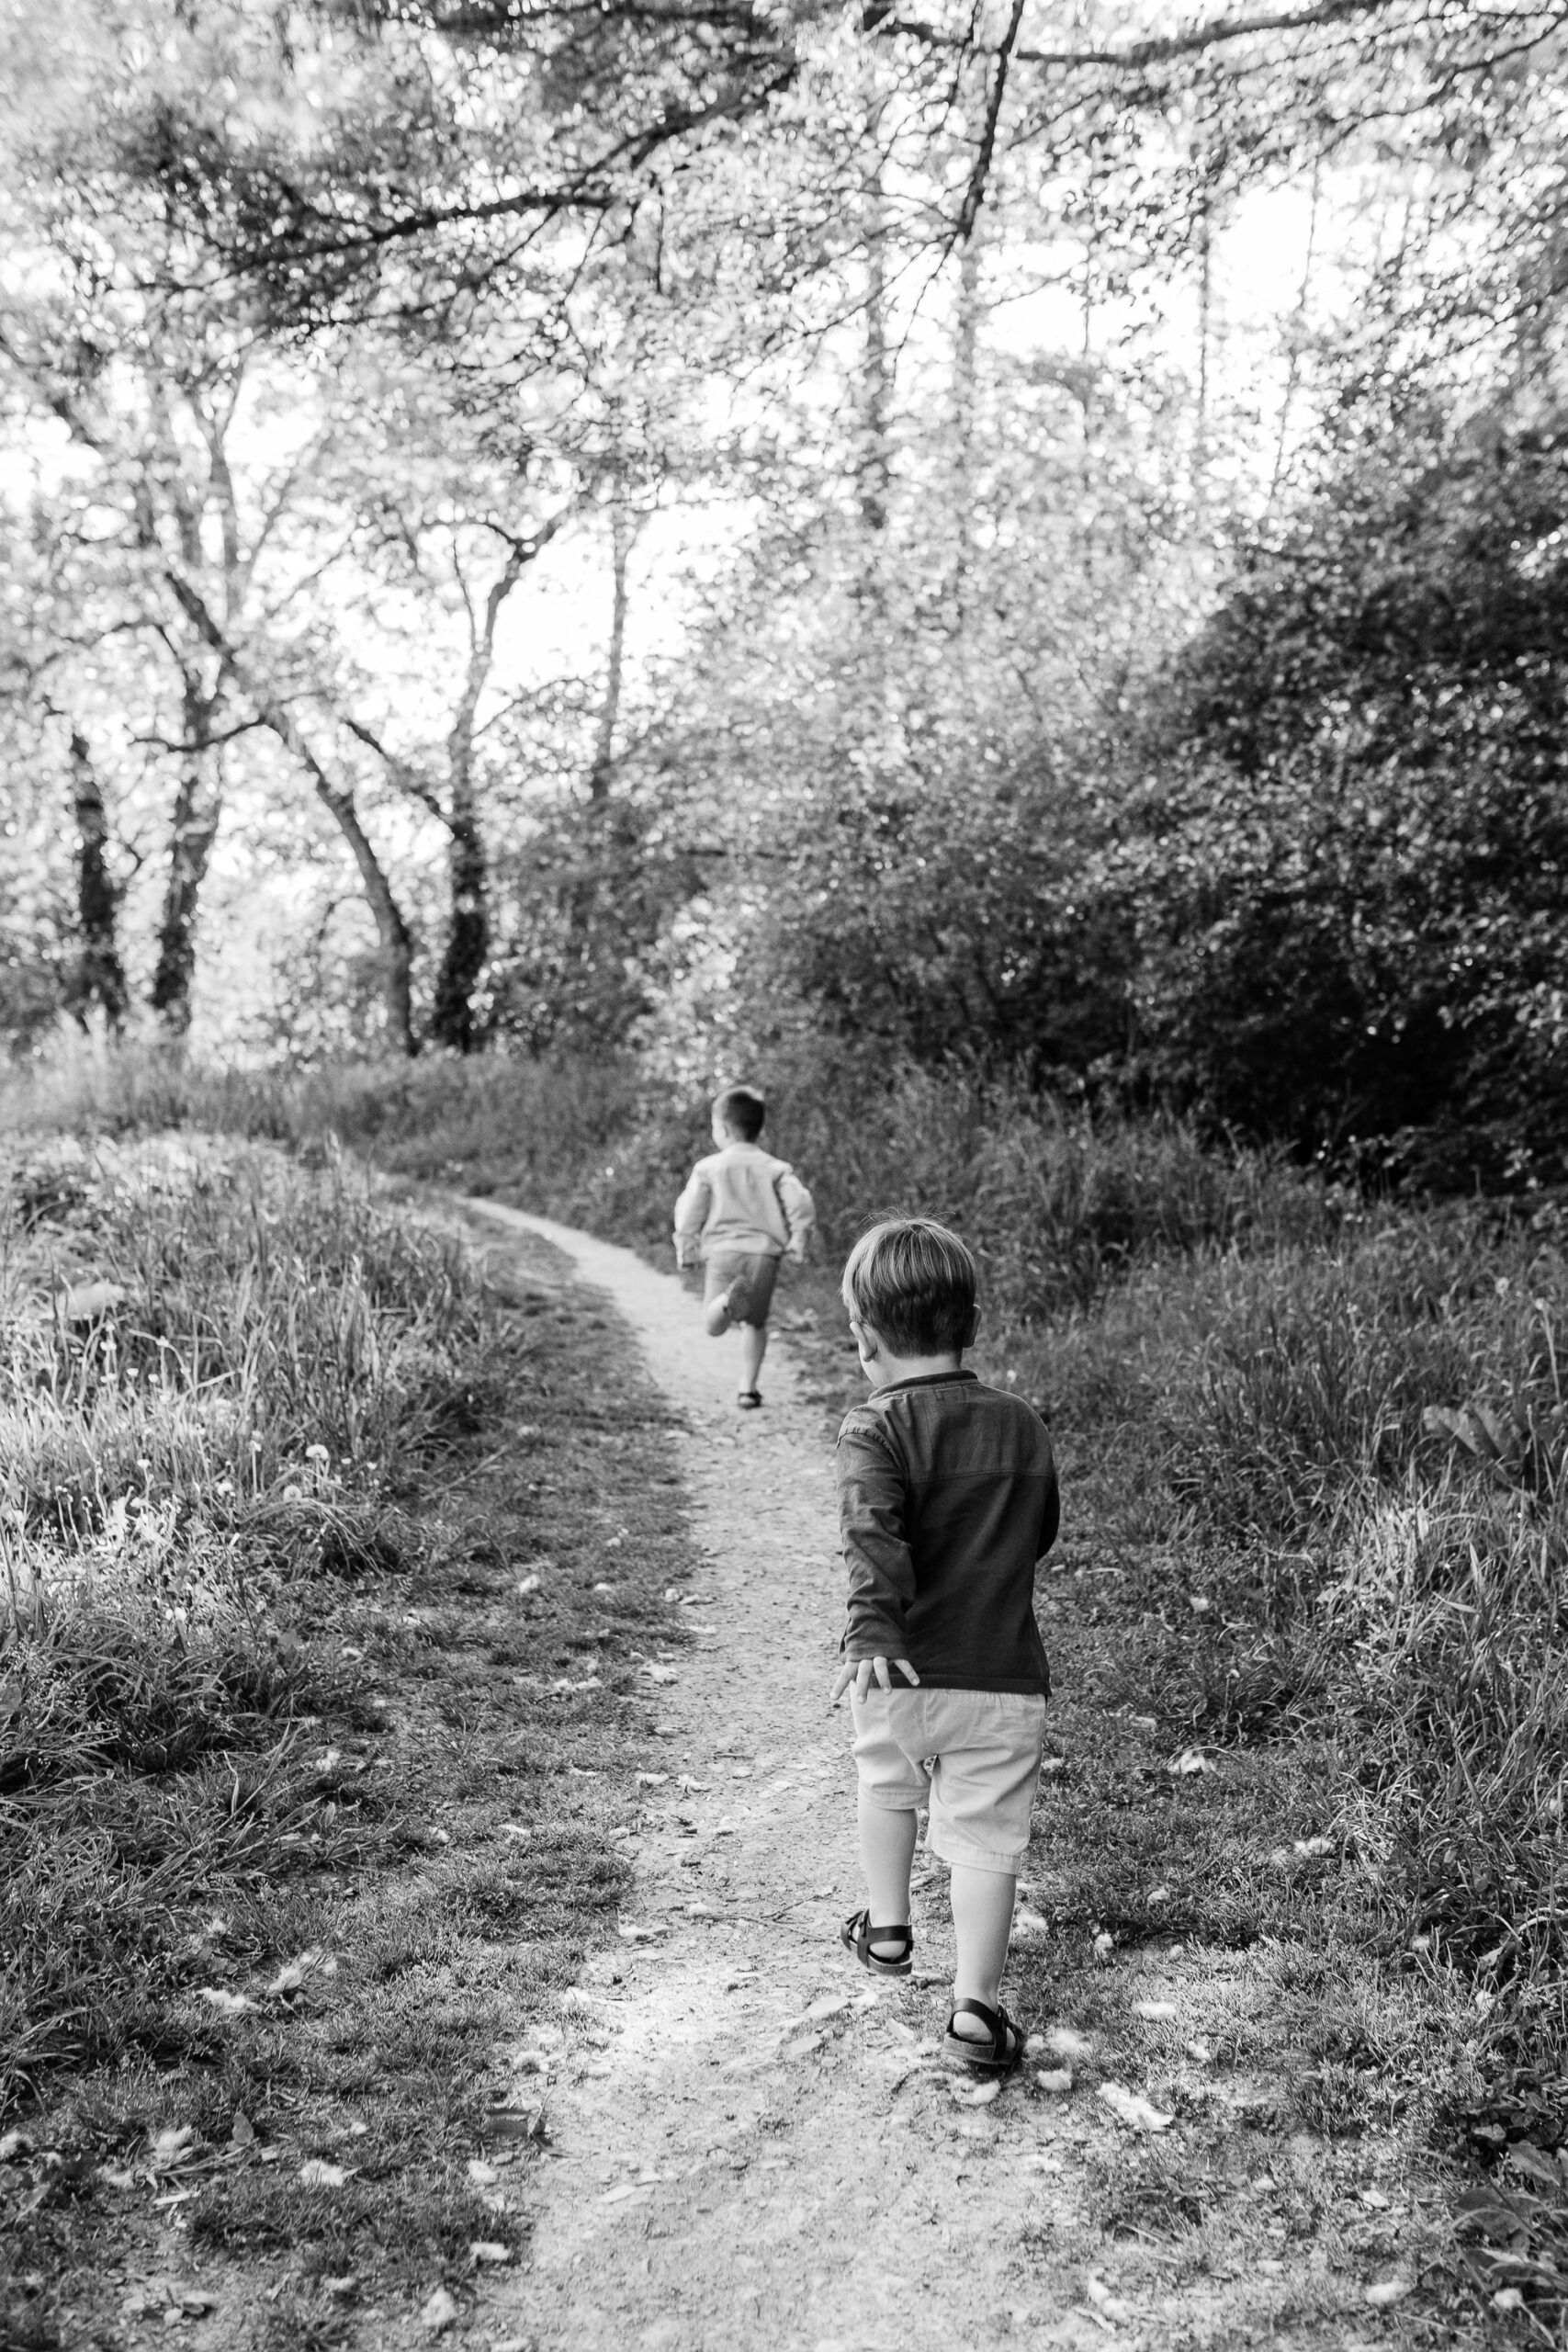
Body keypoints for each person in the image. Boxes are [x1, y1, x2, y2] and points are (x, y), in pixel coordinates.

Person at [829, 1216, 1058, 2073]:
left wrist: (873, 1633)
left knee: (887, 1789)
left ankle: (887, 1931)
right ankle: (974, 2010)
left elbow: (869, 1534)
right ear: (970, 1322)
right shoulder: (1021, 1425)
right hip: (1000, 1674)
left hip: (898, 1666)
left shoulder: (873, 1428)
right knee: (983, 1838)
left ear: (863, 1335)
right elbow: (1037, 1534)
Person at [671, 1085, 815, 1410]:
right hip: (763, 1254)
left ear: (722, 1129)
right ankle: (748, 1389)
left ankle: (724, 1302)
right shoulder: (776, 1168)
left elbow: (689, 1210)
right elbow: (801, 1204)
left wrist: (686, 1245)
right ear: (758, 1128)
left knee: (712, 1325)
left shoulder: (709, 1168)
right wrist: (798, 1239)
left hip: (723, 1252)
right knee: (755, 1322)